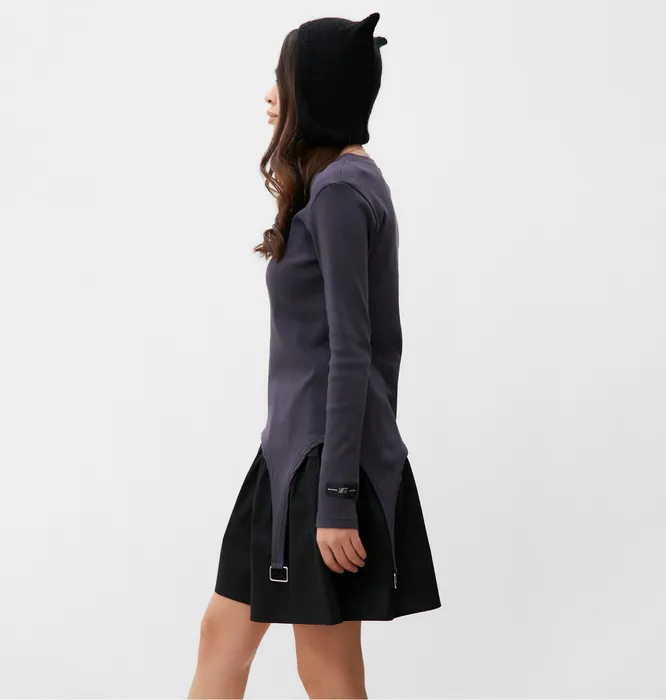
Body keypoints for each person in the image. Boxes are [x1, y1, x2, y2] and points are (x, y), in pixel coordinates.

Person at [188, 12, 441, 699]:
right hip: (286, 458)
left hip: (318, 468)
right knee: (222, 639)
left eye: (284, 77)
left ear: (318, 90)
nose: (272, 94)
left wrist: (337, 497)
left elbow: (358, 352)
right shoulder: (343, 181)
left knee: (325, 670)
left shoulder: (339, 193)